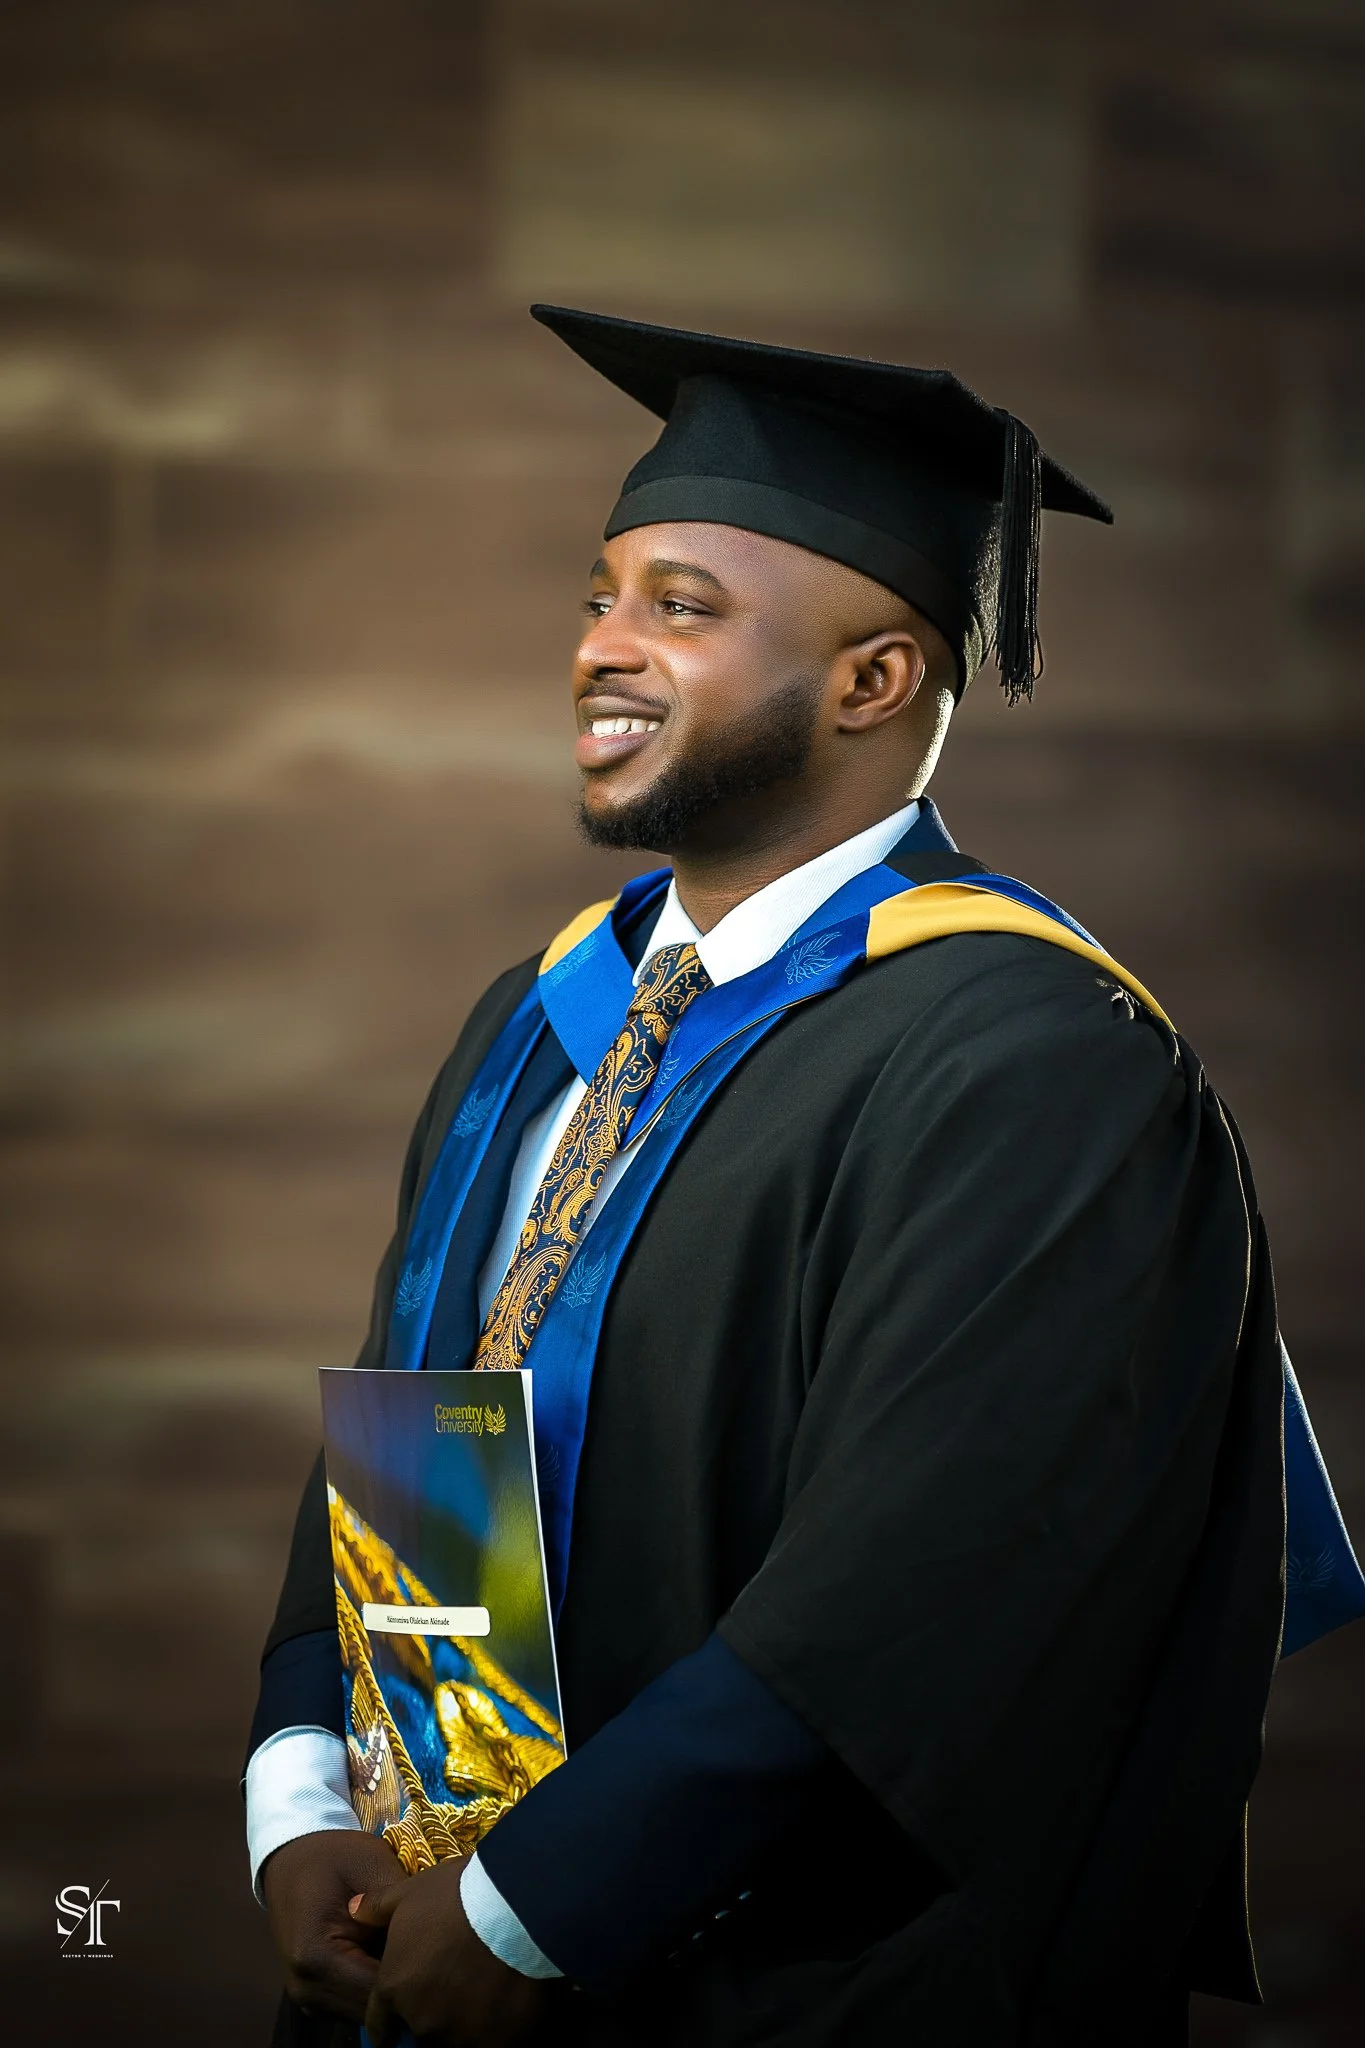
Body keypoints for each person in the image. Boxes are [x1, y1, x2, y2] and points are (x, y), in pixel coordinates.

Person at [243, 308, 1363, 2048]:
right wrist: (316, 1793)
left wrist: (529, 1911)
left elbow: (924, 1592)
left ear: (872, 680)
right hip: (441, 1942)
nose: (601, 648)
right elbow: (428, 1434)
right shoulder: (554, 1016)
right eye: (600, 593)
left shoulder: (1035, 1061)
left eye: (680, 607)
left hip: (809, 2000)